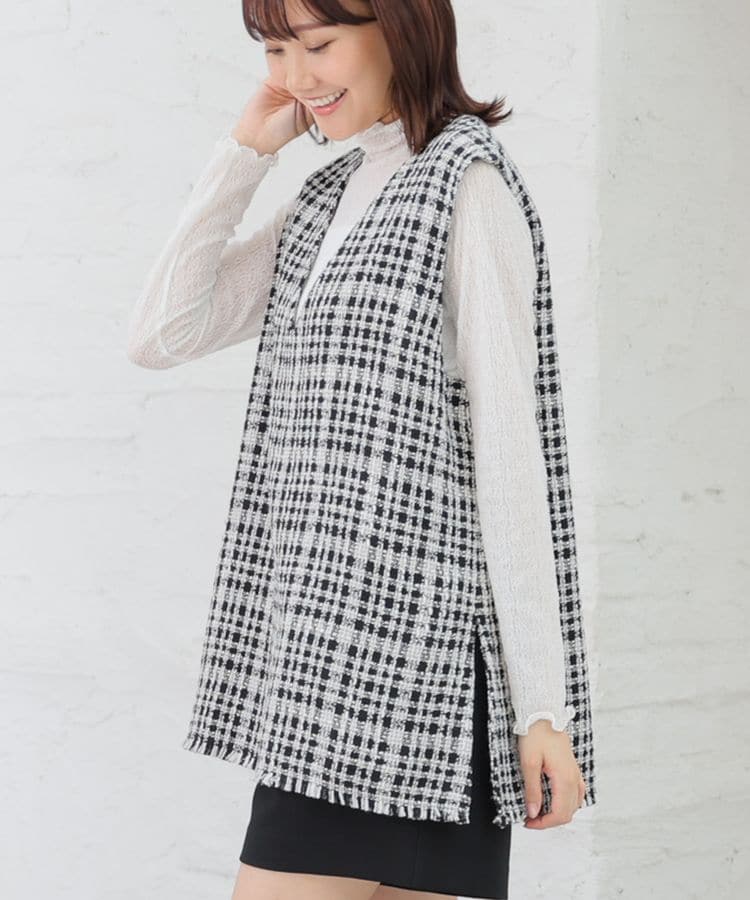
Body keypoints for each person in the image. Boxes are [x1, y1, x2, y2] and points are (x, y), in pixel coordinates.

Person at [127, 1, 596, 898]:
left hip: (419, 676)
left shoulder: (467, 185)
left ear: (402, 30)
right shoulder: (327, 198)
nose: (295, 76)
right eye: (275, 49)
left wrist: (542, 708)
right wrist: (244, 153)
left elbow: (509, 456)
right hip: (323, 674)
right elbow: (162, 332)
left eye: (318, 44)